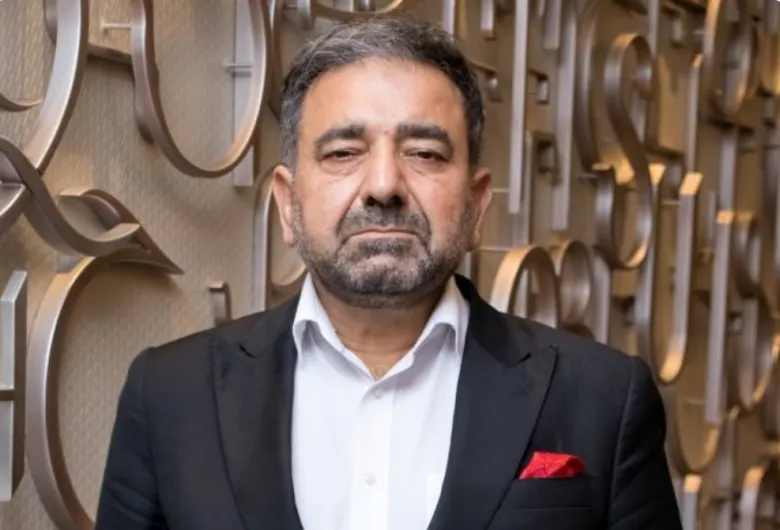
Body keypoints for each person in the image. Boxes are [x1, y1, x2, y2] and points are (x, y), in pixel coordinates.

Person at [94, 16, 682, 530]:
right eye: (343, 153)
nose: (383, 186)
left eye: (424, 153)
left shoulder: (602, 400)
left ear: (477, 204)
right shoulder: (170, 396)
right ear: (287, 205)